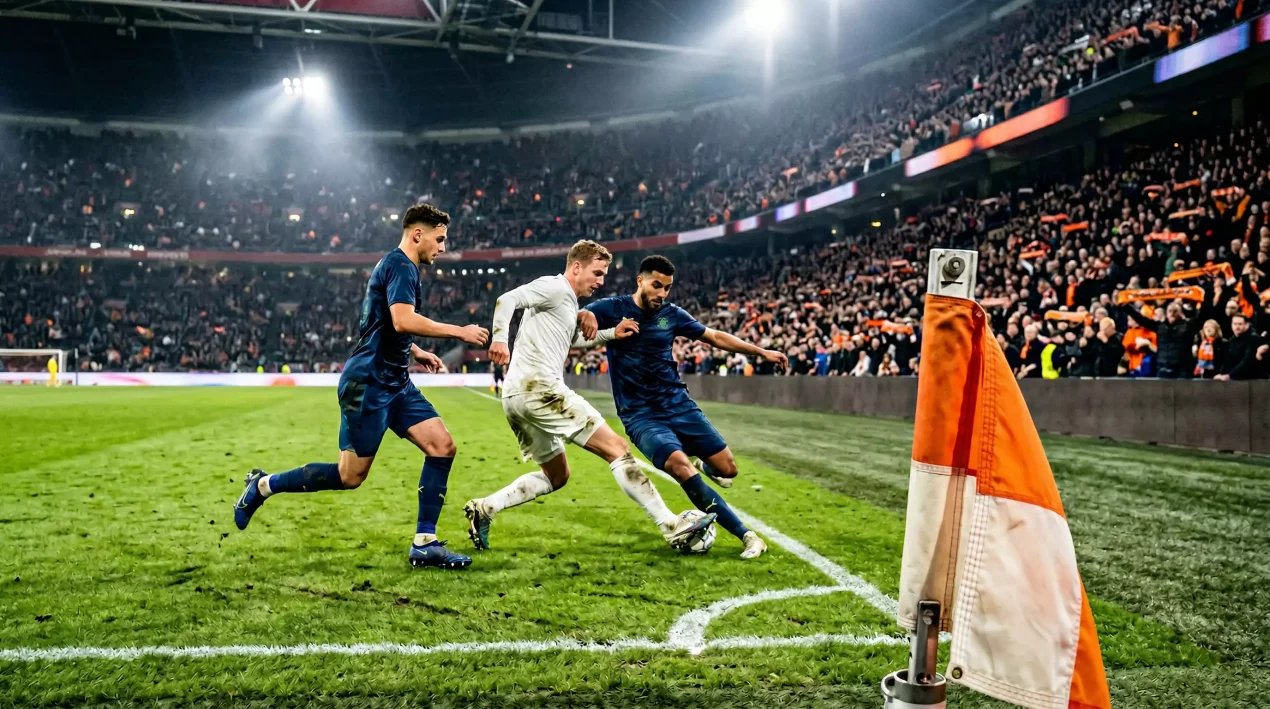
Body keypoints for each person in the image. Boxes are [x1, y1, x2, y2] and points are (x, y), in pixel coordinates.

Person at [232, 204, 490, 570]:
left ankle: (425, 543)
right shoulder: (401, 265)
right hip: (368, 385)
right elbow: (402, 320)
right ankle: (262, 486)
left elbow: (380, 325)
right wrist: (459, 331)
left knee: (442, 446)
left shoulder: (397, 267)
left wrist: (416, 351)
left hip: (396, 383)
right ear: (418, 234)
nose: (443, 247)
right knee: (349, 476)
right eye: (440, 238)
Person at [463, 242, 716, 552]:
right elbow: (507, 299)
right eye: (597, 273)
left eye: (604, 274)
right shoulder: (554, 287)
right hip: (541, 390)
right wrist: (500, 339)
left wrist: (611, 334)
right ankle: (670, 525)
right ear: (576, 267)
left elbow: (573, 341)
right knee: (617, 449)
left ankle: (486, 507)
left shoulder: (567, 304)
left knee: (557, 475)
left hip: (516, 396)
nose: (601, 281)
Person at [580, 255, 790, 559]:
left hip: (679, 405)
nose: (662, 293)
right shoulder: (613, 308)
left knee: (728, 469)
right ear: (640, 281)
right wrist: (584, 313)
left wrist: (760, 352)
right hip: (641, 416)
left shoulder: (672, 315)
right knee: (680, 466)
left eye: (667, 288)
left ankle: (704, 464)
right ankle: (747, 536)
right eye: (656, 285)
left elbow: (713, 336)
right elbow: (574, 314)